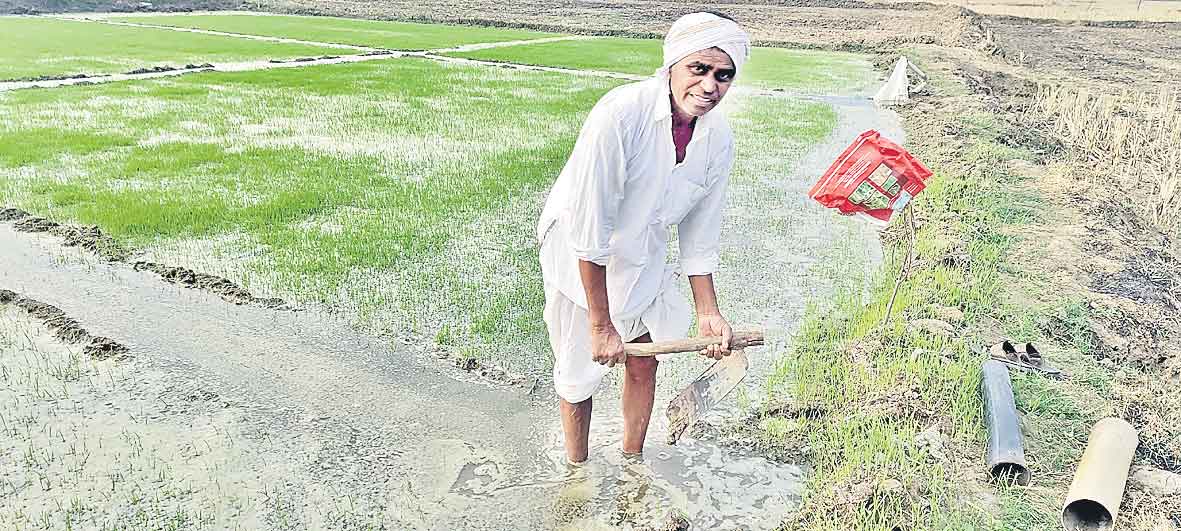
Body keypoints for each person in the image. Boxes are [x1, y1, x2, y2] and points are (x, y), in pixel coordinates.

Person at [536, 12, 750, 464]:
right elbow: (590, 231)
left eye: (723, 75)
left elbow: (699, 232)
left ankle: (632, 461)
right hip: (579, 252)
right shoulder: (621, 115)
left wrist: (708, 313)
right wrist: (601, 324)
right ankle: (577, 470)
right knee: (579, 373)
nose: (710, 86)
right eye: (699, 69)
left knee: (644, 356)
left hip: (644, 245)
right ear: (671, 65)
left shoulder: (718, 137)